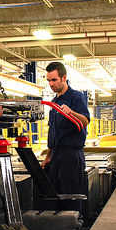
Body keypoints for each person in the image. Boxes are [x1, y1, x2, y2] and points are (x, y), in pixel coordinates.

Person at [41, 62, 90, 194]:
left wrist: (71, 112)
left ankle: (75, 215)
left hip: (71, 156)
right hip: (56, 155)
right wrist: (48, 155)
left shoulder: (76, 97)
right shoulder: (54, 102)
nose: (51, 84)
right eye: (49, 80)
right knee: (55, 195)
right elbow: (53, 130)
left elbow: (85, 121)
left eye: (54, 80)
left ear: (64, 78)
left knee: (70, 195)